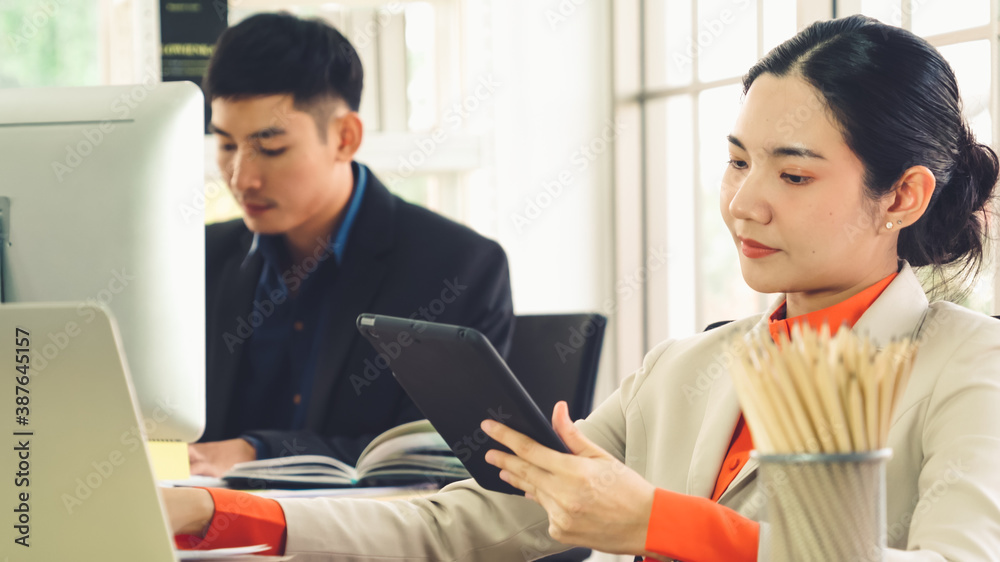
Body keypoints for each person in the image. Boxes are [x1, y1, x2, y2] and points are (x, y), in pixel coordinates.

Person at [166, 15, 1000, 560]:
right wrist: (221, 517)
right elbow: (466, 521)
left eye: (793, 172)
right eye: (738, 160)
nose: (745, 201)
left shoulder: (970, 366)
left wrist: (659, 523)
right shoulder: (685, 368)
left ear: (902, 196)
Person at [190, 13, 515, 477]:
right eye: (226, 145)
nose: (242, 178)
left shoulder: (457, 268)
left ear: (345, 138)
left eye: (271, 147)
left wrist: (256, 452)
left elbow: (439, 454)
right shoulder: (200, 258)